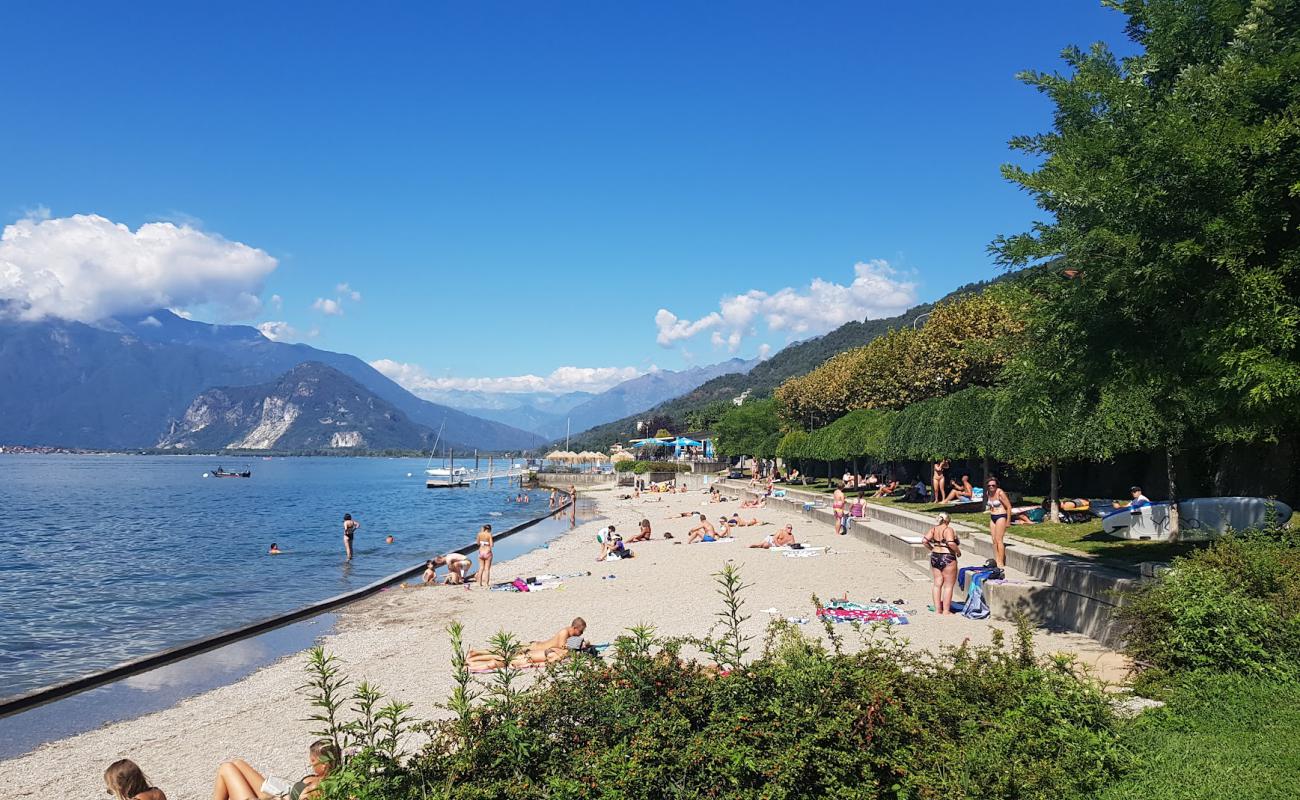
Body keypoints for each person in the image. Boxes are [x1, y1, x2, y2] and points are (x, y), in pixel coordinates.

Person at [209, 739, 338, 800]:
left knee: (226, 768)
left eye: (313, 761)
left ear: (324, 764)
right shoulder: (320, 778)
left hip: (278, 797)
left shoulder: (319, 787)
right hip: (279, 792)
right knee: (238, 763)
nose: (310, 764)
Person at [467, 618, 588, 670]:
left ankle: (475, 655)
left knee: (504, 654)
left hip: (537, 649)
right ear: (575, 627)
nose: (581, 634)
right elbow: (562, 647)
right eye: (580, 631)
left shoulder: (569, 634)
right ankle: (476, 653)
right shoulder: (564, 632)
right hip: (533, 648)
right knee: (503, 653)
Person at [923, 512, 962, 614]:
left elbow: (924, 541)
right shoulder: (948, 529)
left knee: (937, 584)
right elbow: (950, 543)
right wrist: (958, 552)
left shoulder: (934, 529)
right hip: (947, 556)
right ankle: (946, 611)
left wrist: (932, 549)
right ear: (947, 521)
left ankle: (937, 609)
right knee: (948, 586)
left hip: (935, 556)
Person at [985, 477, 1012, 567]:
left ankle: (1001, 561)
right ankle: (996, 559)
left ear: (997, 485)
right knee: (993, 540)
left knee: (999, 540)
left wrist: (1008, 521)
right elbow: (991, 505)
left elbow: (1008, 506)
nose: (991, 487)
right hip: (993, 516)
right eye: (989, 485)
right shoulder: (988, 493)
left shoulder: (1000, 492)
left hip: (1001, 516)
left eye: (993, 485)